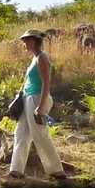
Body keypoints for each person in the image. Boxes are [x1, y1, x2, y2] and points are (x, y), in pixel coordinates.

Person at [9, 29, 67, 180]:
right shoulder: (34, 59)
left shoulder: (42, 58)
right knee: (21, 133)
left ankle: (56, 170)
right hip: (27, 98)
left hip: (37, 98)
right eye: (24, 41)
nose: (25, 44)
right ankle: (16, 170)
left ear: (35, 41)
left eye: (28, 40)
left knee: (40, 134)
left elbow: (46, 84)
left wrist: (41, 106)